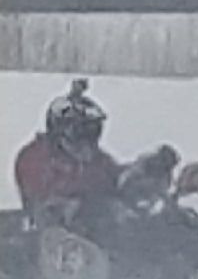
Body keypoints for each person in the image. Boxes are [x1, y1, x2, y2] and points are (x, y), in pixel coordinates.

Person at [14, 80, 121, 225]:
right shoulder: (36, 160)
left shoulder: (99, 161)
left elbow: (119, 182)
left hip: (101, 235)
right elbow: (48, 209)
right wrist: (89, 206)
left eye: (92, 134)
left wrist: (143, 170)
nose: (86, 145)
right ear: (59, 133)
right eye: (80, 135)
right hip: (55, 237)